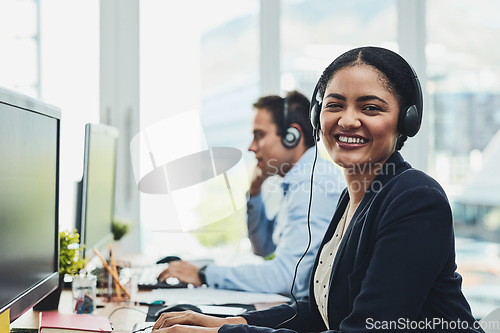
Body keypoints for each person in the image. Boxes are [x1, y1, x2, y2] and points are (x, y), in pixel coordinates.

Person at [151, 46, 483, 332]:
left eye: (370, 108)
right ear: (317, 116)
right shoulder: (352, 199)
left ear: (406, 121)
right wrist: (228, 322)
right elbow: (318, 311)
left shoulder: (415, 200)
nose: (348, 120)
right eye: (335, 105)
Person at [157, 90, 344, 298]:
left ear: (292, 136)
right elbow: (263, 247)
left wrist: (203, 274)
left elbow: (286, 277)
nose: (251, 147)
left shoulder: (312, 186)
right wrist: (254, 193)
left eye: (259, 135)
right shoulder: (298, 180)